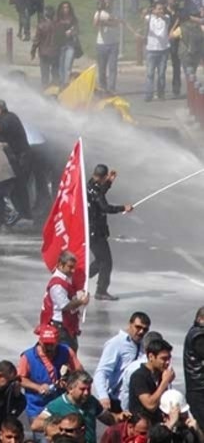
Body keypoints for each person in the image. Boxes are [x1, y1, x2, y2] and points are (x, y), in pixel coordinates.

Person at [31, 371, 123, 443]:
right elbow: (36, 425)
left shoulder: (91, 401)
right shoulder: (57, 404)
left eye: (89, 389)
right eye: (82, 389)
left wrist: (120, 417)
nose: (86, 393)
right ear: (70, 389)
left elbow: (109, 419)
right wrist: (65, 427)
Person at [19, 325, 83, 423]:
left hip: (60, 405)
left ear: (57, 341)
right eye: (46, 344)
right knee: (42, 437)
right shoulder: (28, 356)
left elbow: (80, 372)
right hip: (38, 407)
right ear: (40, 342)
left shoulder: (66, 351)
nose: (49, 347)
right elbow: (20, 379)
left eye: (52, 344)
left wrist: (69, 380)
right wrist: (38, 387)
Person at [87, 164, 133, 301]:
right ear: (103, 176)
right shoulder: (95, 191)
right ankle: (101, 291)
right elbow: (105, 207)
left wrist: (109, 182)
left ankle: (80, 278)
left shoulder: (90, 185)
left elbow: (99, 192)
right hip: (96, 231)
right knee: (106, 262)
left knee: (100, 260)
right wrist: (123, 208)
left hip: (92, 230)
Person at [94, 312, 152, 411]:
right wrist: (103, 396)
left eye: (145, 329)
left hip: (132, 399)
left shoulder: (143, 346)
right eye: (138, 327)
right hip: (115, 399)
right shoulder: (116, 343)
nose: (141, 332)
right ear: (130, 324)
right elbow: (101, 372)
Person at [38, 251, 89, 351]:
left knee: (70, 354)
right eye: (70, 267)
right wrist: (81, 301)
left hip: (66, 327)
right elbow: (65, 305)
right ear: (61, 265)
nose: (73, 270)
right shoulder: (57, 284)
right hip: (60, 328)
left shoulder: (65, 280)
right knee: (66, 357)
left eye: (73, 267)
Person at [129, 338, 176, 423]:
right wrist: (165, 382)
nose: (167, 362)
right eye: (163, 359)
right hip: (142, 426)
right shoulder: (139, 376)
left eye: (169, 358)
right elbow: (150, 405)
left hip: (158, 423)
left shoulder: (161, 375)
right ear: (151, 357)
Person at [143, 2, 172, 102]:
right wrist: (146, 12)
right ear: (154, 9)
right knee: (150, 74)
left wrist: (160, 14)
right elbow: (143, 18)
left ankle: (161, 93)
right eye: (158, 9)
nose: (160, 11)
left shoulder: (166, 18)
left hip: (163, 50)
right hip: (151, 50)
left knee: (161, 74)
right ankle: (148, 94)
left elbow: (166, 18)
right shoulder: (149, 18)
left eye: (162, 9)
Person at [94, 0, 122, 94]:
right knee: (102, 68)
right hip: (101, 44)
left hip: (113, 43)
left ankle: (111, 88)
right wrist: (101, 15)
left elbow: (117, 23)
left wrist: (106, 22)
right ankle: (103, 87)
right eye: (106, 3)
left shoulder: (115, 13)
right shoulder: (98, 13)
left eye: (109, 2)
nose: (107, 4)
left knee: (113, 67)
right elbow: (96, 24)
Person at [32, 6, 61, 87]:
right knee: (55, 73)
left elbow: (36, 41)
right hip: (56, 53)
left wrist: (33, 51)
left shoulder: (41, 26)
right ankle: (56, 89)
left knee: (45, 73)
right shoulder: (59, 26)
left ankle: (45, 89)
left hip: (44, 53)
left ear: (45, 15)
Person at [54, 1, 81, 86]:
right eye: (64, 7)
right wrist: (63, 33)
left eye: (67, 7)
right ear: (61, 9)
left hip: (70, 44)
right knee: (61, 65)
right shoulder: (58, 19)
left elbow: (77, 30)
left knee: (68, 65)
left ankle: (66, 83)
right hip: (60, 44)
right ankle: (62, 82)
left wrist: (72, 32)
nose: (66, 9)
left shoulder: (73, 19)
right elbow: (54, 30)